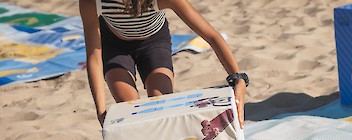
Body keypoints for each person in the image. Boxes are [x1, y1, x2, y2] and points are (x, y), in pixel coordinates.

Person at [79, 0, 248, 129]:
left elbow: (212, 36)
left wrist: (237, 78)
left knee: (161, 104)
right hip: (115, 46)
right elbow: (94, 56)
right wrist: (100, 112)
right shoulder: (92, 2)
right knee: (130, 109)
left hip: (153, 43)